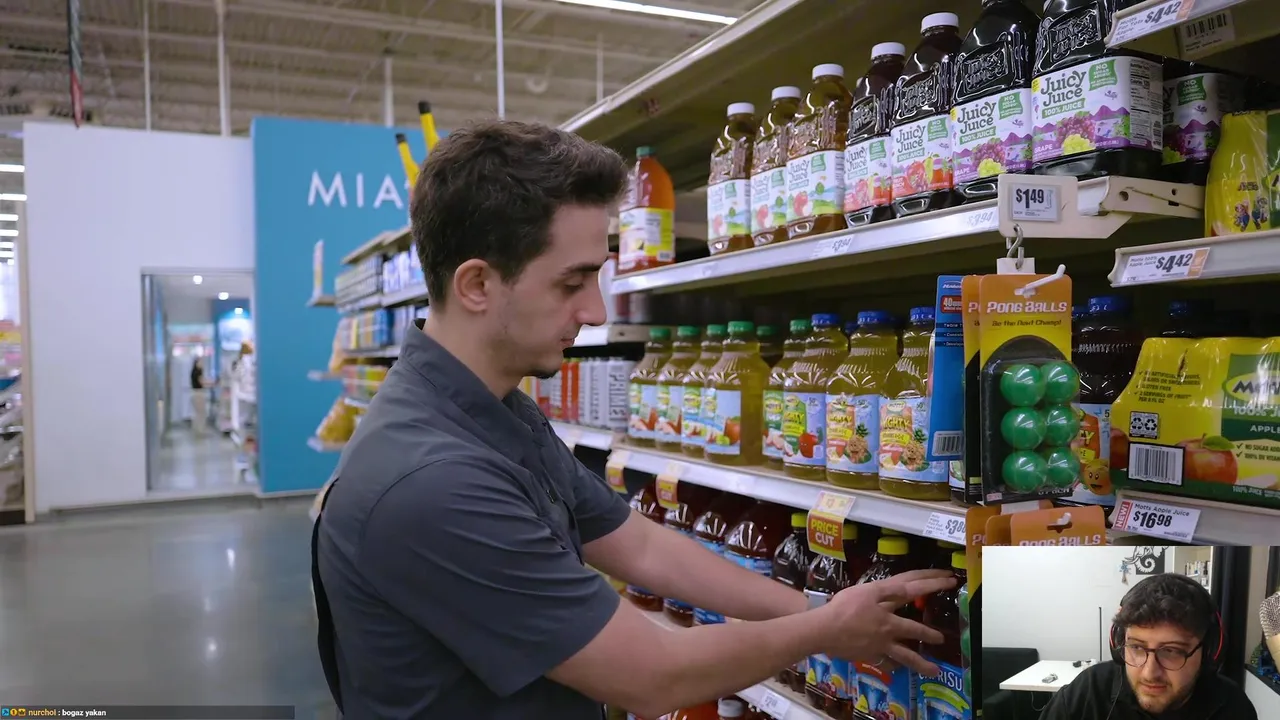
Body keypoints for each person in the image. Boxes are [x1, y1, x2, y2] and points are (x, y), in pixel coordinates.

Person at [312, 121, 954, 720]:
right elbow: (652, 676)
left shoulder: (494, 409)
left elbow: (638, 544)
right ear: (477, 285)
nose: (596, 311)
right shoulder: (433, 481)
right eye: (572, 283)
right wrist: (825, 629)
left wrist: (817, 606)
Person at [1038, 573, 1257, 720]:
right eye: (1136, 647)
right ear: (1119, 642)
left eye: (1171, 651)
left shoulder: (1232, 707)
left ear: (1208, 652)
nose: (1150, 673)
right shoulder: (1087, 693)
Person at [189, 356, 207, 436]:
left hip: (194, 393)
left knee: (197, 412)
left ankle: (196, 430)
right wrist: (212, 383)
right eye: (201, 362)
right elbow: (201, 382)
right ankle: (200, 430)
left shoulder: (193, 371)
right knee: (201, 413)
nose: (202, 364)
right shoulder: (198, 371)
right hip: (199, 393)